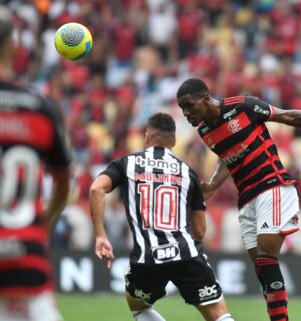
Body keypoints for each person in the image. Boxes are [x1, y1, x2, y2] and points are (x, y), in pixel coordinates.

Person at [176, 78, 301, 321]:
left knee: (266, 256)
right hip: (246, 198)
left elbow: (290, 117)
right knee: (262, 268)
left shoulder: (243, 106)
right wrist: (212, 184)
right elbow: (228, 156)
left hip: (272, 185)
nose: (186, 113)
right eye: (182, 108)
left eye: (189, 105)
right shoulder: (204, 131)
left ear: (205, 98)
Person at [0, 3, 71, 321]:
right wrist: (42, 226)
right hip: (25, 268)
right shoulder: (40, 109)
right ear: (13, 45)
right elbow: (62, 180)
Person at [89, 112, 235, 321]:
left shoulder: (127, 164)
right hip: (186, 254)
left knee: (138, 306)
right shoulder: (187, 172)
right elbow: (201, 231)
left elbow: (96, 190)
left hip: (148, 257)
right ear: (174, 141)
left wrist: (101, 235)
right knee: (218, 314)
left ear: (146, 137)